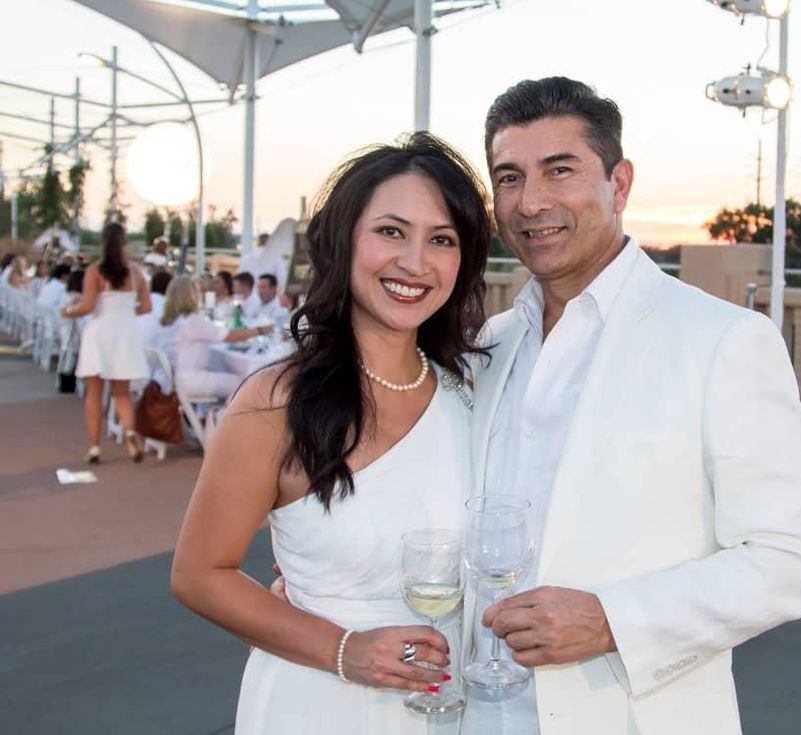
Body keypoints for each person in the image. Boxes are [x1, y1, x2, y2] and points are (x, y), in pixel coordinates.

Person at [464, 77, 801, 734]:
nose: (531, 201)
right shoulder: (491, 345)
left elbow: (789, 560)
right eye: (510, 177)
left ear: (619, 183)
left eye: (560, 170)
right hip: (479, 715)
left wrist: (612, 619)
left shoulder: (723, 341)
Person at [170, 132, 490, 734]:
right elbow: (198, 574)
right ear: (343, 241)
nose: (415, 262)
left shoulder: (473, 396)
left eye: (441, 240)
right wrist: (346, 649)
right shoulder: (274, 403)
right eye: (391, 231)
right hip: (318, 703)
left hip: (452, 705)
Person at [62, 222, 152, 464]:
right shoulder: (135, 273)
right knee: (122, 393)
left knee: (94, 392)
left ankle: (94, 447)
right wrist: (125, 309)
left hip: (101, 331)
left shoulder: (95, 271)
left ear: (103, 243)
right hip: (125, 331)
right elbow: (146, 307)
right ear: (124, 243)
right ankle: (130, 431)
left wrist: (68, 311)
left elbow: (88, 306)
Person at [156, 275, 272, 400]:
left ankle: (215, 414)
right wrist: (261, 330)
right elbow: (231, 336)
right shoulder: (192, 321)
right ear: (191, 296)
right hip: (189, 380)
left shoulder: (167, 321)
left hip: (169, 379)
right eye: (198, 292)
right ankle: (221, 417)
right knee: (244, 383)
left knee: (224, 371)